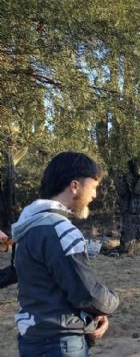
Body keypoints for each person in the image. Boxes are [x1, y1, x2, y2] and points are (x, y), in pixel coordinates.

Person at [11, 151, 119, 356]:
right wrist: (112, 302)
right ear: (75, 186)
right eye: (93, 187)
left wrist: (95, 311)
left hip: (31, 340)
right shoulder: (61, 230)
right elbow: (86, 293)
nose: (94, 195)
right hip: (61, 343)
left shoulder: (27, 227)